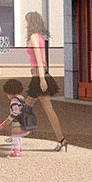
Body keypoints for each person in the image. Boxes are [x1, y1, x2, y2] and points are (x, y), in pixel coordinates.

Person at [23, 11, 68, 151]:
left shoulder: (34, 37)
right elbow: (44, 59)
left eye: (25, 20)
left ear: (31, 22)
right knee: (25, 107)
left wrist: (42, 79)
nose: (23, 23)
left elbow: (39, 60)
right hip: (39, 76)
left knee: (46, 109)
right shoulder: (39, 37)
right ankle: (21, 133)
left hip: (38, 77)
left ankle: (61, 139)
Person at [0, 79, 32, 157]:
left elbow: (15, 112)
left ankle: (16, 151)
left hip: (17, 121)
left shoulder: (14, 101)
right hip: (23, 120)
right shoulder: (21, 98)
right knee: (19, 135)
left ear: (10, 93)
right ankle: (19, 147)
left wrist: (9, 119)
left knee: (15, 135)